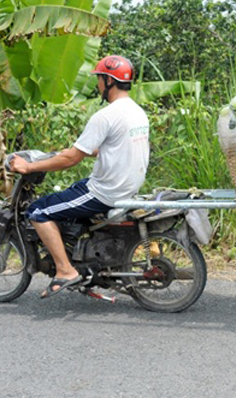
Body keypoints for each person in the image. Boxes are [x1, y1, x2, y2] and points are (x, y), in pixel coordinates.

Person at [9, 55, 150, 298]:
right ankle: (75, 246)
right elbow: (115, 145)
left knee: (38, 211)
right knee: (73, 190)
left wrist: (29, 167)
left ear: (108, 80)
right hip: (126, 185)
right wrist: (83, 151)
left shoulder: (105, 116)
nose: (97, 85)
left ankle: (65, 270)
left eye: (99, 79)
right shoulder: (136, 112)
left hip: (106, 191)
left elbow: (70, 160)